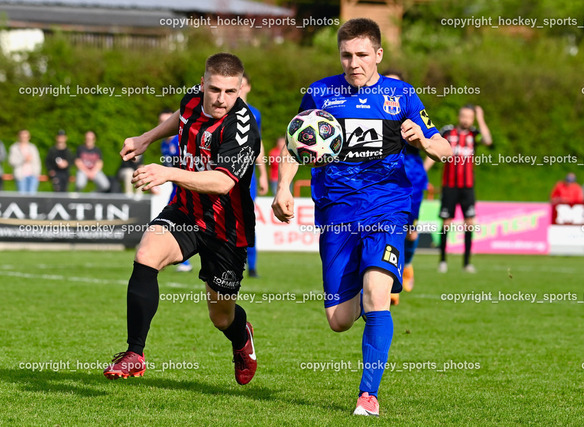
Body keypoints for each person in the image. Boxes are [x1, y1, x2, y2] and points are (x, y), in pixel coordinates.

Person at [272, 18, 452, 416]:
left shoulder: (401, 95)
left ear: (379, 55)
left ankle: (367, 395)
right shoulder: (320, 93)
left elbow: (446, 149)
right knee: (339, 320)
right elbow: (294, 144)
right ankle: (377, 286)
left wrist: (422, 139)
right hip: (336, 213)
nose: (354, 63)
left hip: (388, 206)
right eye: (346, 55)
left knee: (376, 295)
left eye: (362, 55)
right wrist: (283, 187)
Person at [103, 53, 261, 387]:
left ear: (240, 88)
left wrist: (168, 173)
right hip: (186, 211)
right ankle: (135, 353)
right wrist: (146, 138)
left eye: (230, 92)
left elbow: (222, 182)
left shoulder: (242, 126)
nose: (221, 99)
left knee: (221, 316)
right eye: (215, 89)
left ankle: (240, 335)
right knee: (146, 255)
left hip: (226, 228)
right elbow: (183, 117)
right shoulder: (193, 98)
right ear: (202, 84)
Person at [425, 104, 493, 274]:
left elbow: (488, 140)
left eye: (469, 117)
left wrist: (481, 118)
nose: (465, 120)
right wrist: (422, 173)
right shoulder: (448, 132)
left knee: (469, 223)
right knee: (446, 223)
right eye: (463, 116)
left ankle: (467, 263)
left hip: (467, 187)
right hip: (449, 185)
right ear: (459, 116)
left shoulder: (474, 135)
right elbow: (435, 152)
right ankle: (442, 260)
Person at [384, 70, 428, 305]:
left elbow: (435, 143)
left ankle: (407, 264)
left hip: (413, 180)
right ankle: (390, 283)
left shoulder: (410, 111)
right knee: (392, 230)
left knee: (411, 232)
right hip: (386, 181)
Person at [239, 73, 268, 278]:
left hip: (248, 177)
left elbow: (258, 144)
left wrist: (264, 173)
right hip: (224, 173)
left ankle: (253, 265)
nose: (238, 88)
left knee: (248, 220)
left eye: (242, 85)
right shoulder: (222, 110)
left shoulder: (254, 113)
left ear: (248, 87)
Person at [159, 109, 193, 273]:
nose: (164, 125)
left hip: (185, 188)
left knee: (174, 222)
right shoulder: (163, 144)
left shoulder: (181, 140)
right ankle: (166, 258)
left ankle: (180, 261)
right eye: (162, 122)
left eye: (167, 121)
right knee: (173, 223)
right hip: (175, 188)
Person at [9, 129, 41, 194]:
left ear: (29, 137)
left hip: (33, 175)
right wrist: (23, 160)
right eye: (22, 137)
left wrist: (37, 173)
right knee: (22, 196)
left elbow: (37, 162)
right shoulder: (14, 147)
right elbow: (11, 161)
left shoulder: (33, 147)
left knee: (32, 196)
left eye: (26, 137)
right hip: (20, 176)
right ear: (19, 137)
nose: (24, 138)